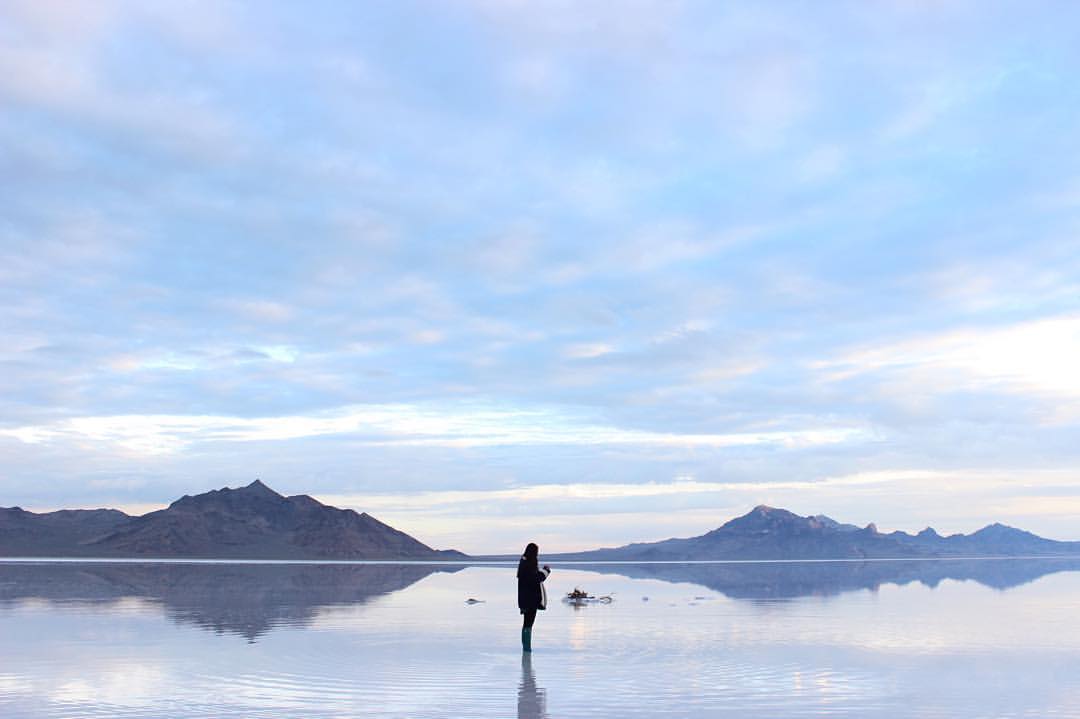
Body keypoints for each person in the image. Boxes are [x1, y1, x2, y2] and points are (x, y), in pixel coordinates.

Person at [516, 542, 550, 652]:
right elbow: (535, 579)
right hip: (531, 600)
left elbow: (530, 577)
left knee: (526, 623)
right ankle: (527, 648)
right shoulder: (530, 563)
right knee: (528, 624)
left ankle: (526, 647)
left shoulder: (523, 562)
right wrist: (546, 571)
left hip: (524, 600)